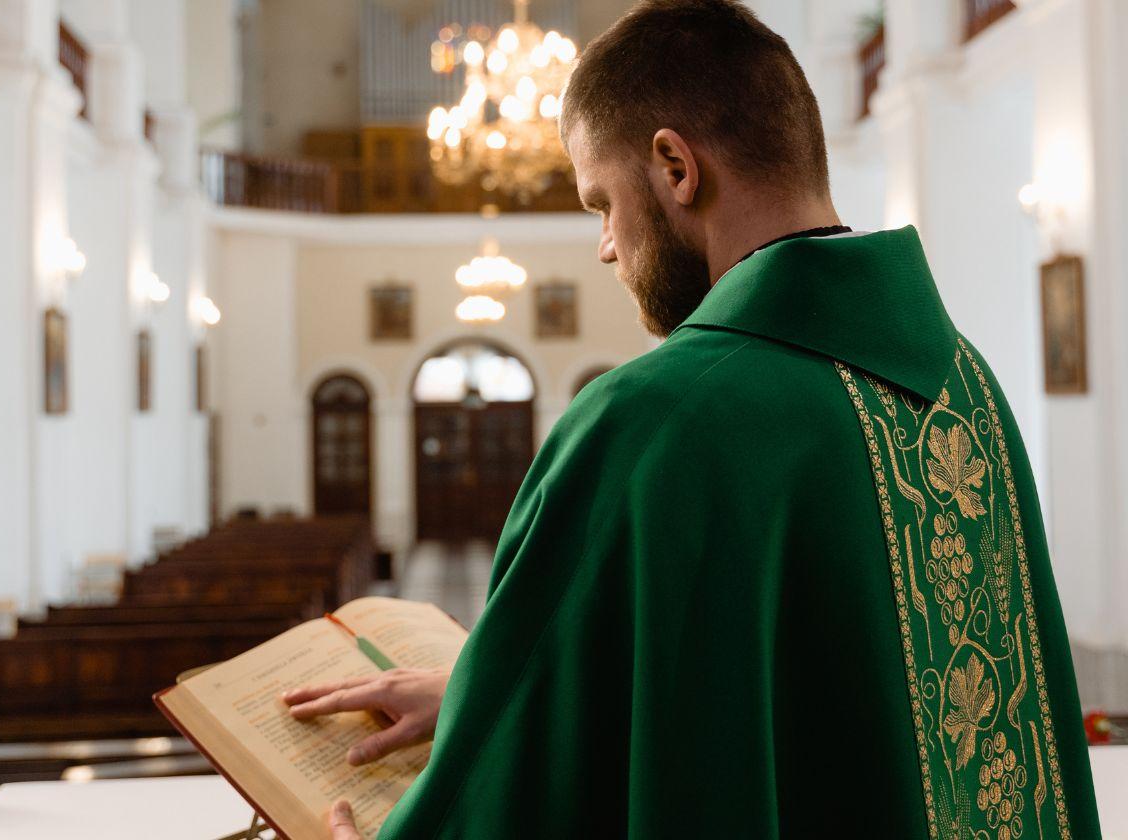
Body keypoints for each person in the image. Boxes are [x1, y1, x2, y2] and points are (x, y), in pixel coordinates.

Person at [286, 0, 1103, 836]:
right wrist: (479, 692)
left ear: (675, 168)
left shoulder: (651, 422)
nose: (605, 245)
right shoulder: (966, 387)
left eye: (601, 203)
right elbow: (822, 698)